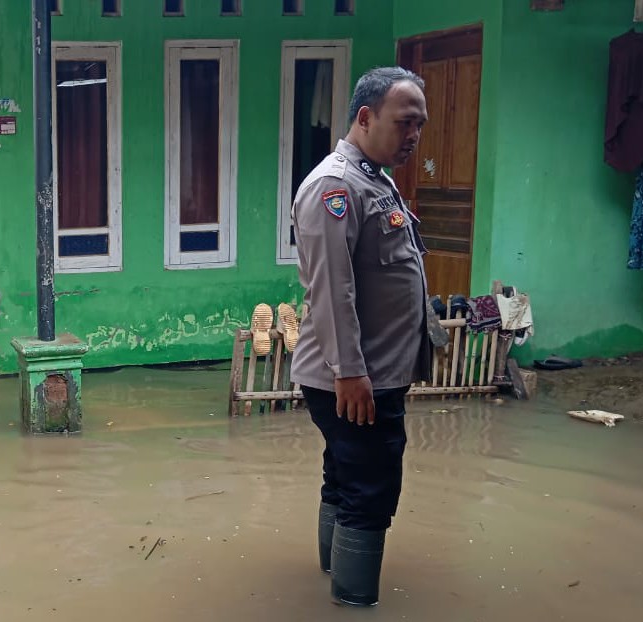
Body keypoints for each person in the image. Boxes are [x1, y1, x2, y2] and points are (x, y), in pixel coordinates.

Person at [289, 66, 432, 607]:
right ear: (366, 117)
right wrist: (349, 371)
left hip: (369, 373)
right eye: (405, 122)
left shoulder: (374, 176)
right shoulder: (337, 186)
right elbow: (331, 290)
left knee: (346, 474)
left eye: (420, 124)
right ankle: (352, 599)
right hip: (354, 376)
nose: (414, 135)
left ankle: (333, 573)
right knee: (370, 489)